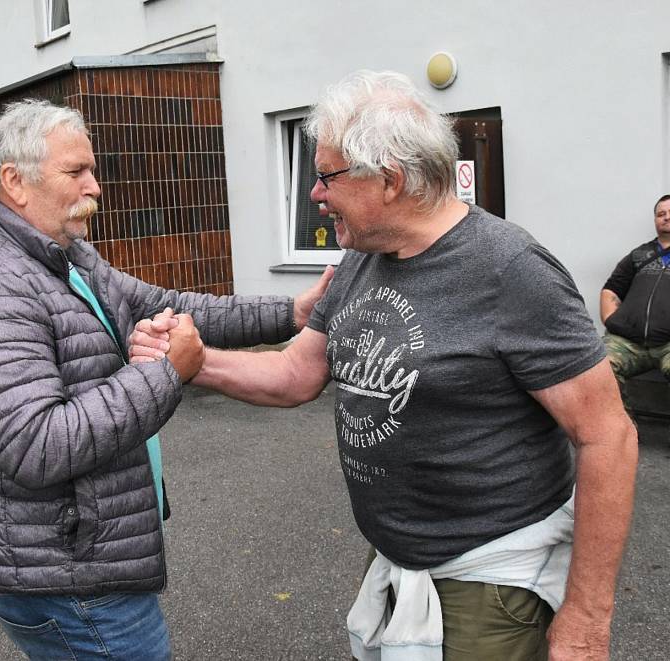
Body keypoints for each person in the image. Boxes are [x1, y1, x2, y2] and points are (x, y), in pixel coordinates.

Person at [130, 71, 637, 660]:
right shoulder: (361, 259)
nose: (314, 195)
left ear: (390, 181)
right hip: (398, 558)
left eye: (325, 177)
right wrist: (194, 362)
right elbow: (298, 373)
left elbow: (609, 436)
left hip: (492, 577)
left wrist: (586, 617)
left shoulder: (511, 270)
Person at [0, 99, 331, 661]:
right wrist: (165, 374)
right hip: (68, 578)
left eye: (92, 170)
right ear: (15, 182)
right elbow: (38, 446)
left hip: (82, 558)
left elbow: (163, 305)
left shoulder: (62, 256)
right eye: (76, 172)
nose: (95, 188)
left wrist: (291, 315)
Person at [601, 194, 670, 408]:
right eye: (661, 214)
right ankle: (625, 433)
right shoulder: (640, 254)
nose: (666, 217)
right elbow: (612, 287)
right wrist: (611, 320)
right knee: (599, 367)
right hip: (628, 342)